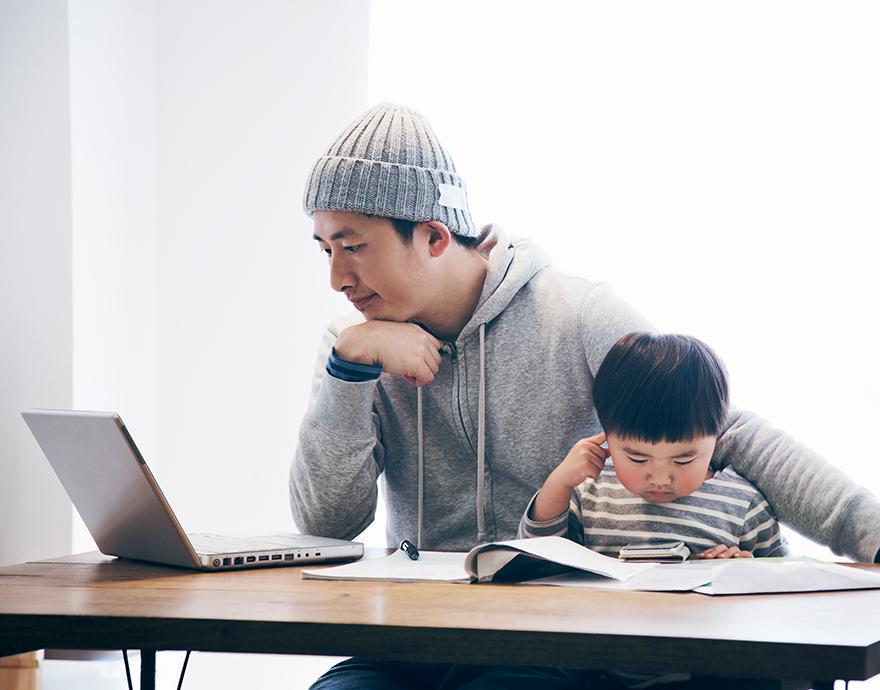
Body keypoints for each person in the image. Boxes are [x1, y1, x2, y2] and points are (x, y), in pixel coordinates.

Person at [291, 103, 880, 689]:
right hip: (407, 638)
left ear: (433, 236)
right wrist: (348, 372)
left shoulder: (575, 316)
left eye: (354, 246)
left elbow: (715, 428)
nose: (337, 278)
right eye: (325, 249)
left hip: (549, 639)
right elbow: (328, 525)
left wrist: (871, 533)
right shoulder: (355, 345)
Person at [519, 331, 788, 559]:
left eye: (683, 460)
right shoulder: (590, 492)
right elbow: (534, 558)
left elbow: (787, 589)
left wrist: (750, 572)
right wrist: (559, 483)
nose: (660, 478)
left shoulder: (743, 504)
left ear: (716, 437)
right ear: (607, 438)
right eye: (637, 458)